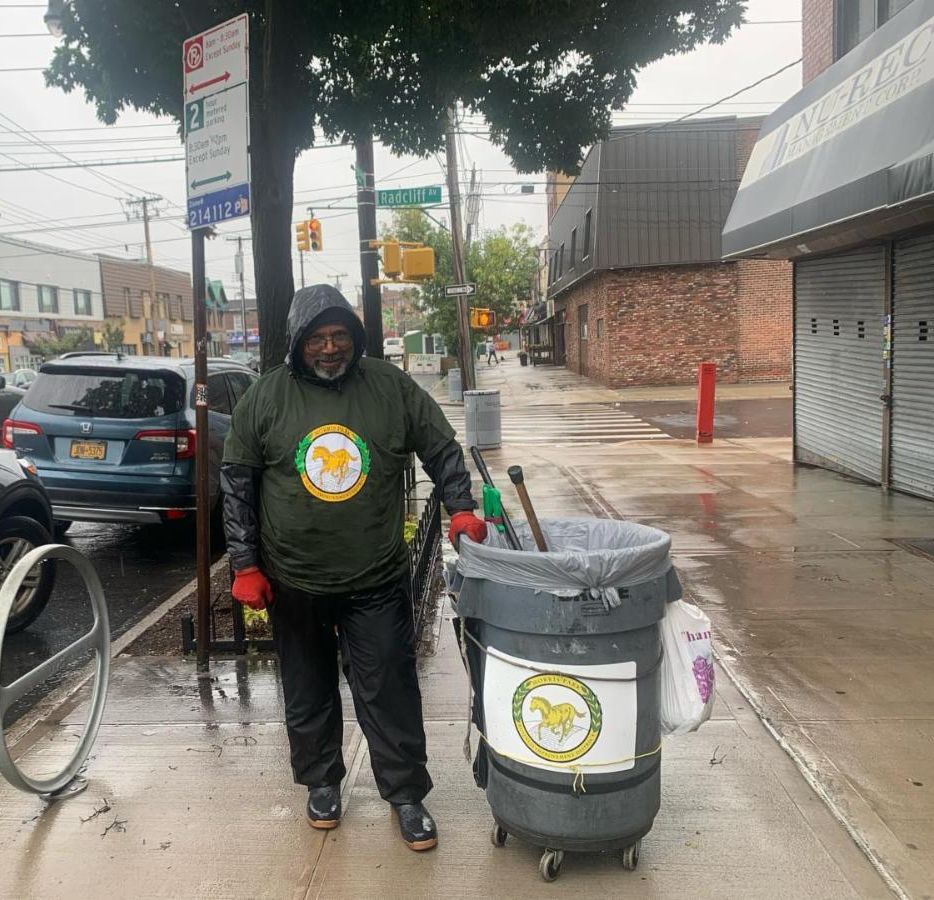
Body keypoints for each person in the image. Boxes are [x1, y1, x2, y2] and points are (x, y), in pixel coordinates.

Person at [221, 285, 487, 852]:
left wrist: (461, 506)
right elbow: (237, 483)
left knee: (390, 686)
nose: (329, 347)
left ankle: (406, 794)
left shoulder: (389, 386)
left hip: (375, 576)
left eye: (339, 335)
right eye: (316, 338)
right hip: (293, 578)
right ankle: (321, 782)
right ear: (298, 341)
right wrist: (245, 563)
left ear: (354, 337)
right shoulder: (266, 397)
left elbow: (441, 447)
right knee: (307, 687)